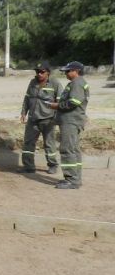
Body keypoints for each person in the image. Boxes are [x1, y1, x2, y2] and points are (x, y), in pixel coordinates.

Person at [49, 61, 90, 189]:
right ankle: (75, 178)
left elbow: (74, 102)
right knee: (74, 149)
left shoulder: (77, 83)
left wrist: (57, 106)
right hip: (71, 121)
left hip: (71, 121)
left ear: (76, 71)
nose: (65, 73)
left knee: (67, 149)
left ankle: (72, 180)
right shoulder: (76, 83)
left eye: (68, 71)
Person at [18, 62, 63, 174]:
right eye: (37, 71)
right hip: (33, 119)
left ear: (48, 72)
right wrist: (24, 113)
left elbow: (60, 102)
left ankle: (52, 165)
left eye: (42, 72)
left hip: (48, 119)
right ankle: (28, 166)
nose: (39, 74)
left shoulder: (55, 83)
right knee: (28, 143)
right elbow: (27, 98)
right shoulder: (32, 83)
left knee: (49, 144)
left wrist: (57, 118)